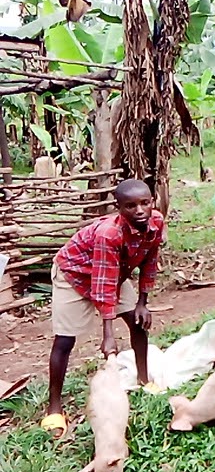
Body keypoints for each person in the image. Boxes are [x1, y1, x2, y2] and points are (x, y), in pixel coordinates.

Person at [42, 179, 165, 438]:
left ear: (152, 201)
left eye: (145, 203)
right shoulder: (109, 233)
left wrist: (143, 302)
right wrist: (107, 333)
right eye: (131, 206)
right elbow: (103, 283)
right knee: (65, 339)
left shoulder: (156, 222)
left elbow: (150, 261)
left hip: (114, 273)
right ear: (118, 207)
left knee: (137, 321)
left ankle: (144, 381)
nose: (140, 210)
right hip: (74, 274)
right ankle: (54, 407)